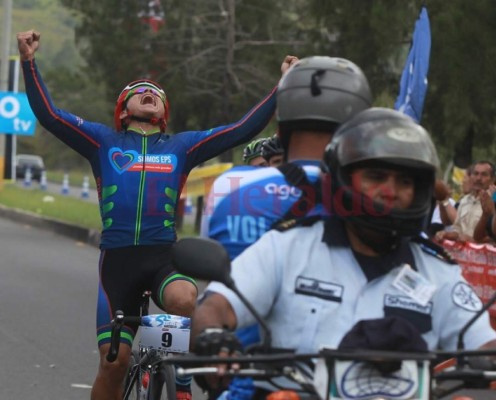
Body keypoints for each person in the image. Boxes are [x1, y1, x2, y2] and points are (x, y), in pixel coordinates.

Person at [17, 29, 298, 400]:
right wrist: (28, 62)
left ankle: (177, 375)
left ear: (164, 113)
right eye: (139, 91)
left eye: (157, 94)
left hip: (163, 256)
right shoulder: (103, 141)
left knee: (185, 299)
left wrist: (283, 86)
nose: (150, 92)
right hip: (117, 264)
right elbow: (50, 116)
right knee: (114, 363)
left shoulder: (182, 146)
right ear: (123, 109)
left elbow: (241, 129)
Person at [191, 109, 496, 396]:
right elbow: (215, 306)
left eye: (405, 182)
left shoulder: (437, 269)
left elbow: (480, 342)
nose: (391, 191)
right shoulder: (287, 246)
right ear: (343, 179)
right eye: (376, 176)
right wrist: (212, 336)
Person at [199, 55, 372, 353]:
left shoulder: (230, 187)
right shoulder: (379, 199)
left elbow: (210, 266)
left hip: (243, 364)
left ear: (281, 127)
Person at [435, 161, 496, 243]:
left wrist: (473, 240)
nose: (478, 178)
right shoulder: (464, 201)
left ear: (492, 180)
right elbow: (458, 232)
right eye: (475, 174)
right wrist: (445, 234)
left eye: (484, 174)